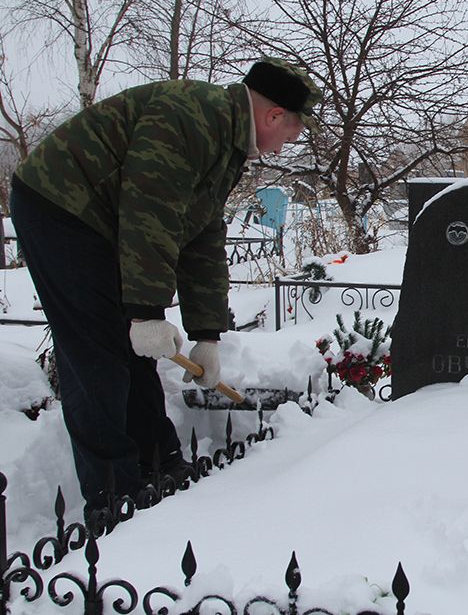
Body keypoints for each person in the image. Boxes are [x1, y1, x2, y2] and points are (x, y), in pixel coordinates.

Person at [10, 58, 321, 520]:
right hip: (62, 207)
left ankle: (158, 461)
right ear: (274, 115)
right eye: (290, 137)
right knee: (97, 349)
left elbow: (201, 237)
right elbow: (149, 212)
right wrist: (146, 310)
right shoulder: (190, 117)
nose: (282, 149)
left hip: (105, 222)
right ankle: (113, 494)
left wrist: (206, 335)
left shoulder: (226, 142)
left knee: (132, 349)